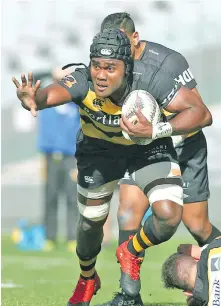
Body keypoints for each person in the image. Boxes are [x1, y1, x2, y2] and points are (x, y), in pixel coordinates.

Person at [12, 28, 212, 306]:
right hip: (99, 153)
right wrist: (34, 100)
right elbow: (51, 94)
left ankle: (131, 250)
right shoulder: (83, 80)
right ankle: (87, 278)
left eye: (110, 67)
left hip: (146, 146)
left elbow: (201, 113)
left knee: (168, 215)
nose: (101, 74)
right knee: (90, 222)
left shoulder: (152, 79)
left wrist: (156, 129)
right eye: (96, 66)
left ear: (127, 68)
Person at [99, 12, 221, 304]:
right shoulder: (113, 67)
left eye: (121, 42)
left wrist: (156, 128)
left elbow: (199, 113)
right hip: (145, 149)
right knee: (128, 211)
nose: (115, 50)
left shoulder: (169, 62)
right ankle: (129, 296)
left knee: (197, 225)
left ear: (135, 38)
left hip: (183, 146)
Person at [37, 67, 80, 252]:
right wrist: (50, 71)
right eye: (56, 79)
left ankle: (72, 238)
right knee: (50, 198)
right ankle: (50, 237)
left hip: (71, 158)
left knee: (72, 199)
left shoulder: (75, 103)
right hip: (50, 157)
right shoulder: (46, 99)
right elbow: (30, 83)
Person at [162, 237, 221, 306]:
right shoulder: (214, 247)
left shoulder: (210, 302)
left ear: (188, 293)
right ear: (196, 258)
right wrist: (201, 250)